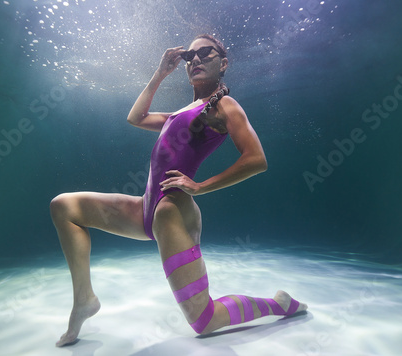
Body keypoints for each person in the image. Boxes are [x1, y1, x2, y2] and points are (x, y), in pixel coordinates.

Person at [50, 34, 307, 347]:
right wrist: (160, 73)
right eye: (190, 56)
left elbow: (257, 159)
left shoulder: (225, 106)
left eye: (205, 54)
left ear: (223, 63)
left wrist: (198, 187)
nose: (195, 60)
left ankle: (279, 304)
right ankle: (84, 300)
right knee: (64, 207)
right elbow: (135, 118)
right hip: (145, 209)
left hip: (172, 212)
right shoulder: (178, 113)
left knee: (204, 321)